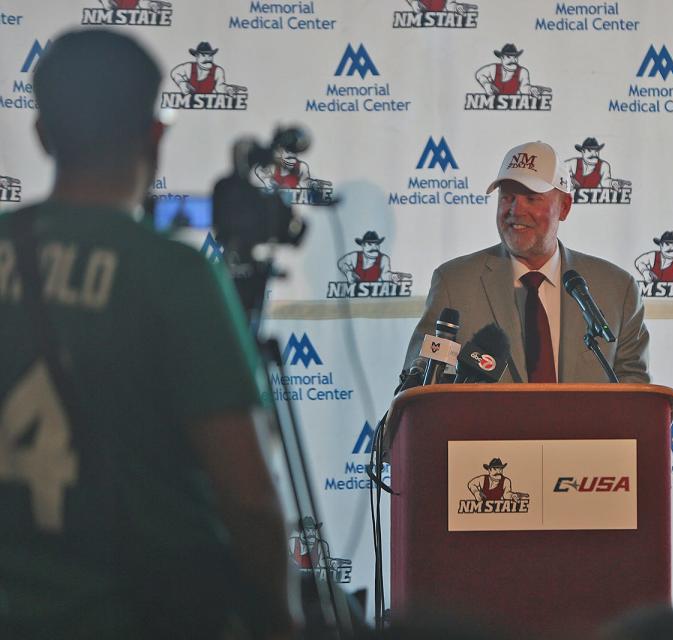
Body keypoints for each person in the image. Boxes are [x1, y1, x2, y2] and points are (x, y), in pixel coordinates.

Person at [0, 29, 298, 639]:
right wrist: (278, 622)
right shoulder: (173, 273)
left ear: (40, 134)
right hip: (139, 613)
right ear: (155, 136)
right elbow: (248, 502)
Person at [403, 140, 650, 383]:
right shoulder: (454, 284)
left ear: (564, 207)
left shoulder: (618, 289)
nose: (516, 210)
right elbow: (419, 390)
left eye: (531, 198)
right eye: (507, 197)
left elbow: (637, 400)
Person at [170, 41, 245, 96]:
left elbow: (219, 87)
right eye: (203, 55)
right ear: (197, 56)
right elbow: (174, 73)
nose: (208, 58)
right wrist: (182, 83)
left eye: (210, 55)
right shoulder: (189, 67)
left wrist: (227, 89)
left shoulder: (217, 71)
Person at [474, 44, 550, 98]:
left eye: (515, 57)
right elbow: (479, 74)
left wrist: (531, 90)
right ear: (502, 58)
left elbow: (524, 88)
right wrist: (486, 84)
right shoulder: (494, 68)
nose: (513, 60)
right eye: (509, 57)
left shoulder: (522, 72)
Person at [337, 230, 412, 284]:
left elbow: (385, 275)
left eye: (377, 244)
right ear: (363, 245)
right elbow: (341, 263)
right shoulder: (355, 257)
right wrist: (348, 272)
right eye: (370, 244)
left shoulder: (383, 259)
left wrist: (394, 276)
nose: (374, 247)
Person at [563, 137, 631, 191]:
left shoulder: (603, 166)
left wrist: (613, 183)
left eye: (596, 150)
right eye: (590, 150)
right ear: (582, 152)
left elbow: (605, 182)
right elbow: (560, 172)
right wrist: (569, 180)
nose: (594, 154)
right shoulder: (573, 163)